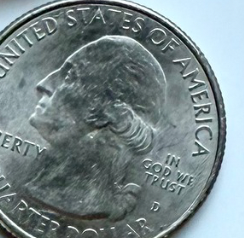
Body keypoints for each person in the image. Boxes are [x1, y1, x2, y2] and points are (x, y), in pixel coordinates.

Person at [28, 34, 168, 219]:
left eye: (70, 76)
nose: (43, 84)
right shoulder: (40, 181)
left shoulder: (80, 203)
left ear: (107, 111)